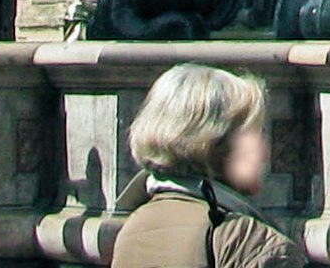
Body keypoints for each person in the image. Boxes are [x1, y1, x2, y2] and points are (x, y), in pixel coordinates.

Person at [113, 63, 297, 268]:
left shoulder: (131, 230)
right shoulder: (254, 244)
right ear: (215, 144)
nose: (264, 154)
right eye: (255, 135)